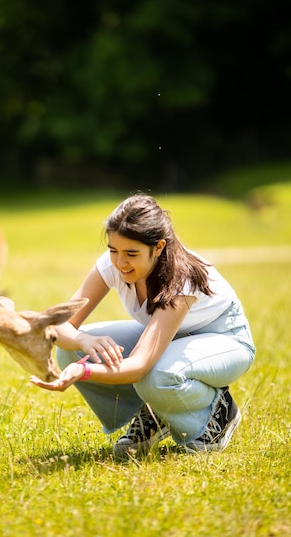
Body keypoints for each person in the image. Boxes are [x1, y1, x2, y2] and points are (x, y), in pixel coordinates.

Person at [31, 192, 256, 454]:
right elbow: (59, 326)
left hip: (226, 340)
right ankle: (155, 412)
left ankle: (218, 411)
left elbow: (138, 367)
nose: (120, 262)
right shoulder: (112, 264)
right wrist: (84, 340)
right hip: (171, 339)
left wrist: (84, 371)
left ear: (159, 247)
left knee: (156, 377)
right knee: (72, 350)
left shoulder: (181, 278)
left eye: (131, 253)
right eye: (113, 250)